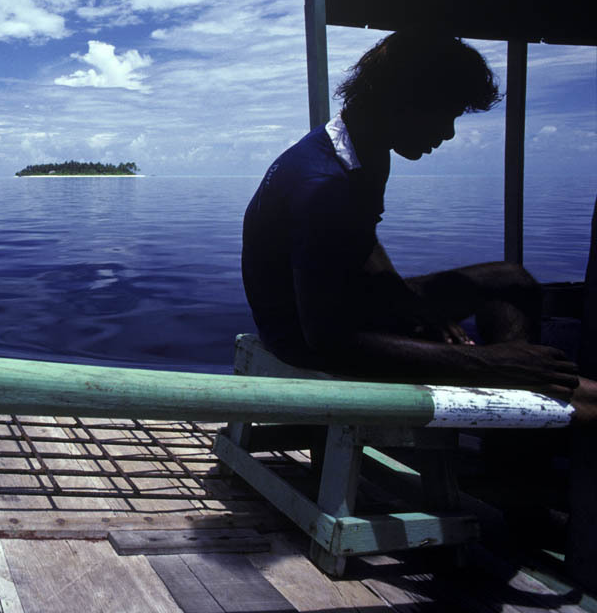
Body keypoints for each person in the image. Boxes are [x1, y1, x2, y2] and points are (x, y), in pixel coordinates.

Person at [241, 30, 593, 422]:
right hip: (304, 339)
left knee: (511, 281)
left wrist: (410, 306)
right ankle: (519, 408)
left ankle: (518, 405)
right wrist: (488, 363)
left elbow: (362, 239)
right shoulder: (325, 185)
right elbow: (328, 340)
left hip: (345, 306)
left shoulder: (359, 147)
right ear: (402, 100)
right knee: (577, 396)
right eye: (445, 114)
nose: (448, 133)